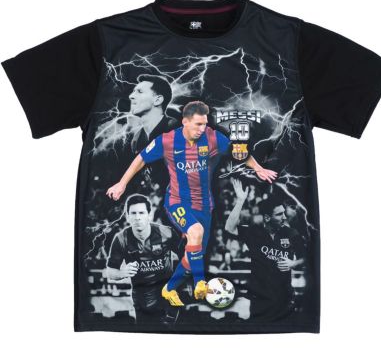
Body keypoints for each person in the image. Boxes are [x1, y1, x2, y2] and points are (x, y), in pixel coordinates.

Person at [106, 101, 278, 306]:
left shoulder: (213, 138)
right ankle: (200, 283)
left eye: (204, 124)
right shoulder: (167, 140)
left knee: (192, 255)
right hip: (177, 201)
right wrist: (122, 183)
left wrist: (258, 169)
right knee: (195, 232)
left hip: (204, 205)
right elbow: (141, 158)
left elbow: (238, 151)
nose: (202, 128)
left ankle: (169, 289)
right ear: (185, 122)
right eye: (198, 124)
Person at [225, 178, 305, 321]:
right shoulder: (254, 233)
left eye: (284, 213)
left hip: (284, 300)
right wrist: (240, 201)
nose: (284, 217)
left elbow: (306, 258)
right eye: (279, 214)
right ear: (267, 218)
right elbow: (229, 228)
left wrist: (293, 263)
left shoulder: (292, 234)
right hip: (259, 300)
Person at [106, 193, 183, 324]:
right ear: (127, 216)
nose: (137, 218)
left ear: (149, 215)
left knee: (169, 330)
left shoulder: (167, 233)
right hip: (142, 300)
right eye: (133, 213)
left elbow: (186, 257)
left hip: (168, 295)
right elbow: (110, 272)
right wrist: (122, 273)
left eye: (141, 213)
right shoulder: (121, 239)